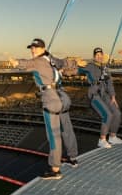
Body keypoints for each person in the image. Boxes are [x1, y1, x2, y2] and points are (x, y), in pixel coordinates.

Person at [9, 38, 80, 180]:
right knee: (67, 129)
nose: (32, 50)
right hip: (64, 97)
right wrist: (75, 62)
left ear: (42, 48)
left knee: (54, 136)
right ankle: (73, 158)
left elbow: (24, 64)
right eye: (31, 48)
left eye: (35, 48)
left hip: (51, 99)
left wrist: (15, 62)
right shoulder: (51, 58)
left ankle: (55, 169)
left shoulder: (38, 61)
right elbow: (66, 63)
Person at [76, 47, 122, 148]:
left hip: (104, 94)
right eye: (97, 55)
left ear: (102, 55)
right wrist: (77, 63)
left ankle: (112, 137)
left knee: (117, 113)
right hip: (95, 94)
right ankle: (102, 140)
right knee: (108, 115)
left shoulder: (105, 68)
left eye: (100, 55)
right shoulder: (90, 66)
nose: (99, 57)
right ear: (94, 57)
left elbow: (110, 83)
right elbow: (78, 69)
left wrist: (113, 97)